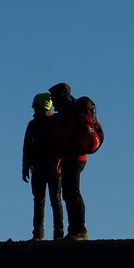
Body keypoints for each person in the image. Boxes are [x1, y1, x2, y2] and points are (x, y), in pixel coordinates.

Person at [48, 82, 89, 241]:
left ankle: (79, 230)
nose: (52, 101)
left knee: (72, 193)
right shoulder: (70, 110)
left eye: (53, 97)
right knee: (70, 193)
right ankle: (75, 230)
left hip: (73, 157)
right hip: (73, 157)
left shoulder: (68, 113)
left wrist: (59, 155)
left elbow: (64, 138)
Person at [22, 92, 64, 241]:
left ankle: (43, 235)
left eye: (35, 106)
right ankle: (54, 235)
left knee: (45, 200)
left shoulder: (35, 124)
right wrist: (25, 166)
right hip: (51, 168)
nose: (33, 108)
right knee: (52, 201)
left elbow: (26, 147)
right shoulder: (56, 121)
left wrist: (25, 166)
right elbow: (26, 147)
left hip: (45, 167)